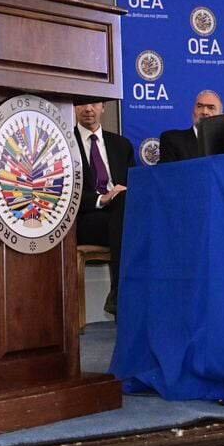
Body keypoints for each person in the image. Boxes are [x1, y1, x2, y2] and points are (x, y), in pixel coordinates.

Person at [73, 100, 134, 316]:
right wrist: (102, 199)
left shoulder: (121, 144)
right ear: (74, 107)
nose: (88, 108)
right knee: (126, 222)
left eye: (94, 103)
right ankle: (121, 294)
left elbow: (133, 185)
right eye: (81, 103)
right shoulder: (64, 142)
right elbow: (61, 193)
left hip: (119, 215)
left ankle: (122, 294)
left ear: (103, 108)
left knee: (127, 205)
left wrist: (119, 193)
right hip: (86, 218)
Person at [158, 89, 224, 162]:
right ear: (193, 111)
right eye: (199, 106)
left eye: (211, 108)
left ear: (221, 115)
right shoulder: (172, 140)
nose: (204, 112)